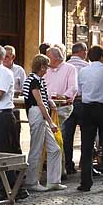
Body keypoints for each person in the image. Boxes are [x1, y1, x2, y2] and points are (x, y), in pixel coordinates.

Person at [0, 45, 28, 201]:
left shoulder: (4, 72)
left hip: (3, 115)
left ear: (2, 58)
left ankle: (8, 190)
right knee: (1, 153)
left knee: (4, 155)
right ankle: (15, 188)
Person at [77, 45, 103, 193]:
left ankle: (86, 182)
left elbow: (80, 90)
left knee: (87, 146)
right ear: (102, 57)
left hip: (87, 109)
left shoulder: (82, 71)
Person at [22, 54, 65, 192]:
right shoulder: (34, 80)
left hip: (38, 113)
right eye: (46, 66)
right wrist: (51, 122)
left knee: (55, 149)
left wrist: (49, 103)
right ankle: (31, 181)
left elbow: (43, 100)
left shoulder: (36, 79)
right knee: (36, 149)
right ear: (41, 67)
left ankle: (53, 181)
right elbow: (39, 102)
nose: (47, 69)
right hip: (37, 113)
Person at [45, 46, 80, 176]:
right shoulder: (46, 69)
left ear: (54, 58)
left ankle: (59, 169)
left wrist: (65, 95)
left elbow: (73, 87)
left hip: (62, 107)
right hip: (47, 106)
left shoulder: (69, 68)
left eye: (48, 57)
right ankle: (54, 167)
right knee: (49, 136)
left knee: (56, 135)